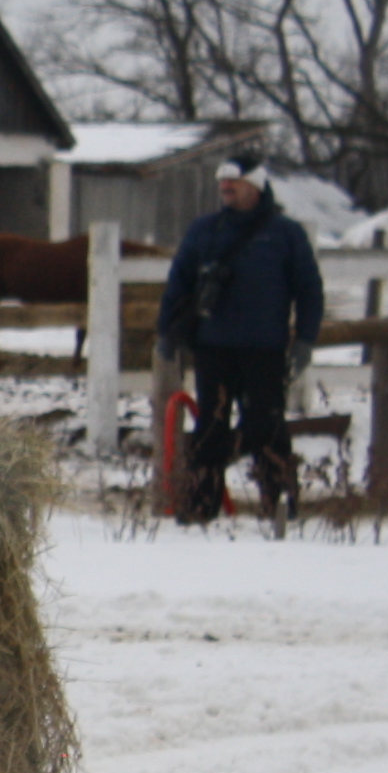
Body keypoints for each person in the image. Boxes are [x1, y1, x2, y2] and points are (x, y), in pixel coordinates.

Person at [155, 147, 322, 523]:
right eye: (222, 181)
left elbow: (309, 290)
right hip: (212, 346)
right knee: (210, 426)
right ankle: (200, 508)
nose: (226, 187)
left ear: (256, 187)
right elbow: (178, 282)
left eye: (235, 180)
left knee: (268, 425)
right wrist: (166, 330)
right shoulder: (204, 230)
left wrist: (305, 340)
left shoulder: (286, 234)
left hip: (265, 348)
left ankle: (278, 503)